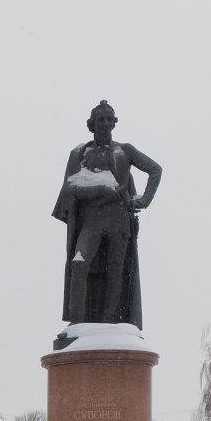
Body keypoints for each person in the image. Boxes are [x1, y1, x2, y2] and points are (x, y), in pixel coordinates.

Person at [53, 100, 162, 331]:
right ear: (91, 125)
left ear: (114, 123)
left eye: (109, 119)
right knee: (79, 263)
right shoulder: (80, 153)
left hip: (119, 220)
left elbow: (155, 170)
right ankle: (77, 322)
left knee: (116, 270)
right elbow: (69, 189)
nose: (105, 123)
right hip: (91, 220)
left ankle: (111, 322)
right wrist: (99, 190)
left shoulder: (125, 150)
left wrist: (143, 200)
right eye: (100, 120)